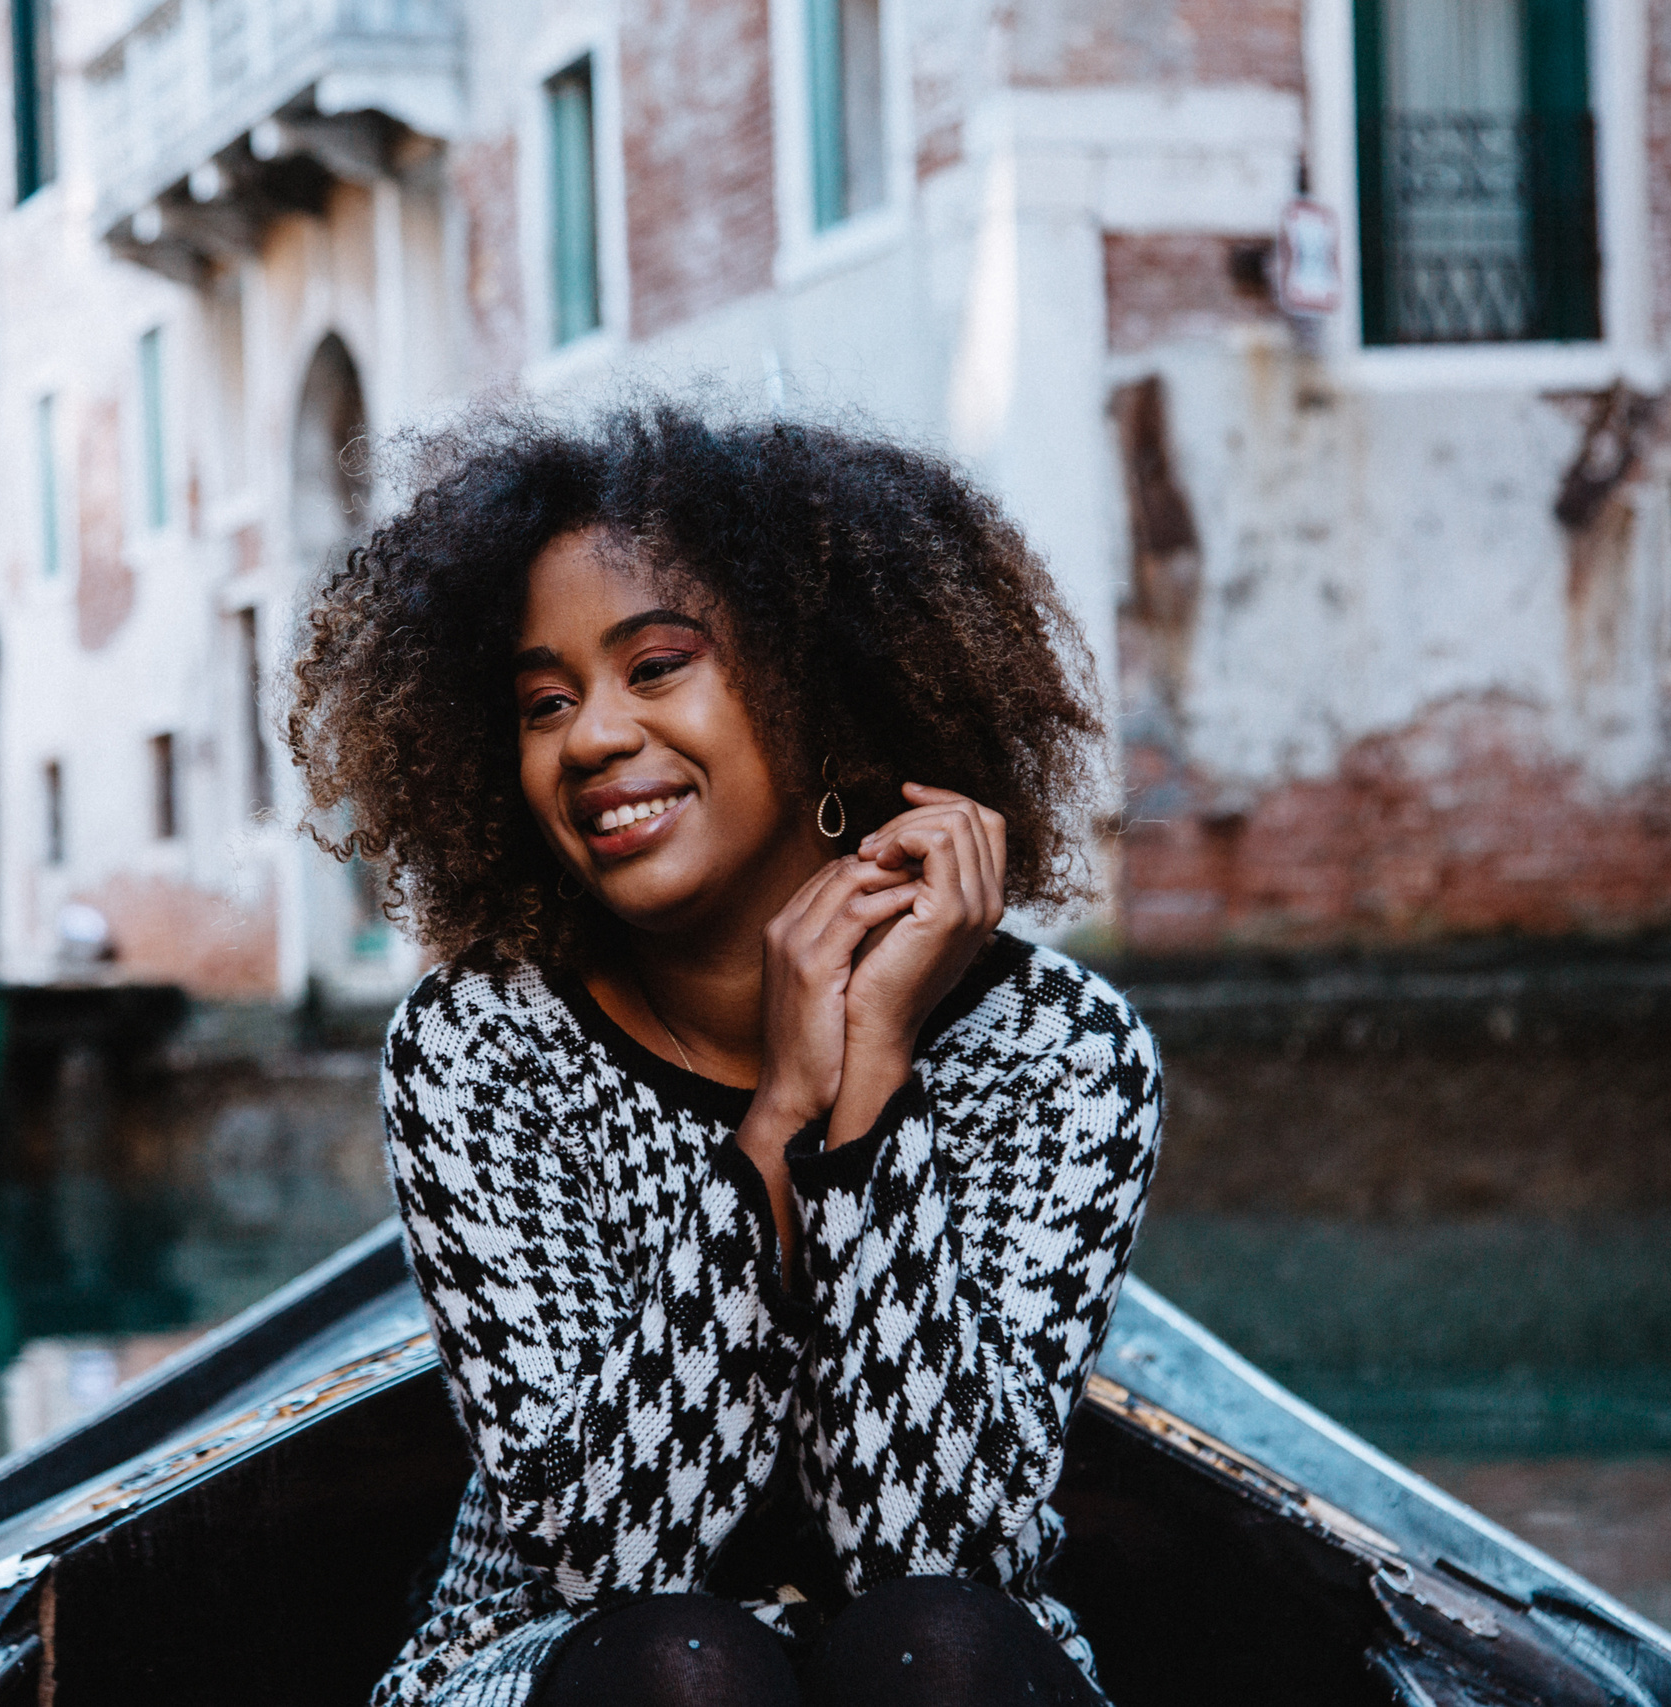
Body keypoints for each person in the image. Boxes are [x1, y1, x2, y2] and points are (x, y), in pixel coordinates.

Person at [287, 402, 1164, 1707]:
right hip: (563, 1660)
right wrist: (776, 1124)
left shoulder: (1061, 1052)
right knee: (680, 1666)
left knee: (947, 1648)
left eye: (656, 668)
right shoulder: (483, 1045)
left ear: (824, 695)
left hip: (946, 1661)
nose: (589, 739)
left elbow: (936, 1549)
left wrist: (870, 1079)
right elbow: (612, 1555)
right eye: (542, 701)